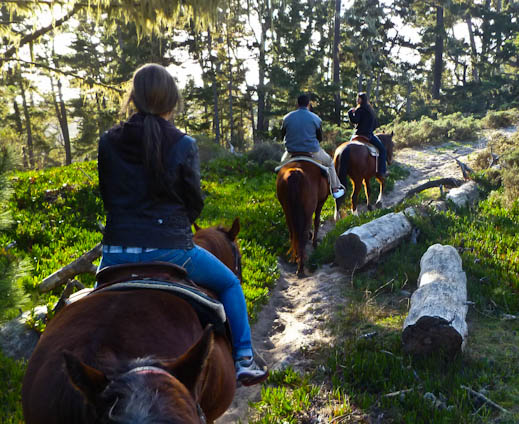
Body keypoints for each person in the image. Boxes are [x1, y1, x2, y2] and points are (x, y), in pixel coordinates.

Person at [96, 63, 267, 387]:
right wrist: (179, 224)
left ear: (133, 97)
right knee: (230, 283)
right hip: (172, 251)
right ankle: (244, 356)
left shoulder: (108, 141)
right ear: (171, 100)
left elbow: (108, 195)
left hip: (116, 252)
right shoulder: (183, 143)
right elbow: (194, 202)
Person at [280, 94, 345, 199]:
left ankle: (279, 188)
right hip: (312, 152)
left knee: (281, 168)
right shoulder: (316, 119)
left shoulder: (287, 117)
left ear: (297, 104)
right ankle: (335, 188)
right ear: (308, 104)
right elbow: (319, 138)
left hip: (291, 152)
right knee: (330, 163)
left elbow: (282, 135)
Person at [347, 92, 387, 179]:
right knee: (382, 150)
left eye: (359, 98)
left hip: (358, 134)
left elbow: (355, 121)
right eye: (357, 98)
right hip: (368, 135)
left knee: (347, 148)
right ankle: (382, 171)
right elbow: (375, 124)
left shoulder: (359, 110)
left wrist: (350, 113)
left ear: (362, 100)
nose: (357, 100)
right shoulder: (370, 110)